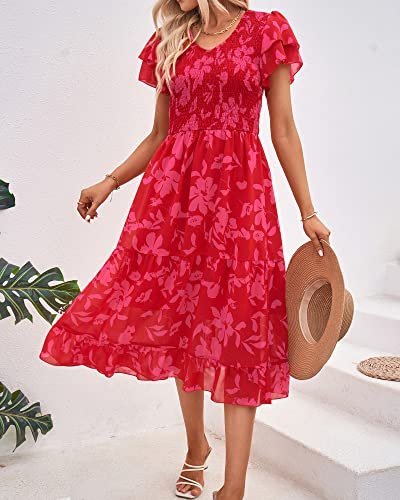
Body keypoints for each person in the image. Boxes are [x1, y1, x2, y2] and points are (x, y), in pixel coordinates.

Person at [39, 1, 331, 499]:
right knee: (182, 318)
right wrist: (110, 181)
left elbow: (283, 128)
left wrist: (308, 211)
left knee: (241, 328)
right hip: (173, 199)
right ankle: (197, 447)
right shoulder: (171, 41)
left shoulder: (266, 31)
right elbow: (160, 134)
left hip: (240, 197)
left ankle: (234, 487)